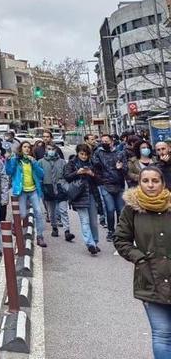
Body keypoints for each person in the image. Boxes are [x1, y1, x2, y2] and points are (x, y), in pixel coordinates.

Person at [115, 166, 171, 358]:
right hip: (150, 279)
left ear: (163, 183)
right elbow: (121, 240)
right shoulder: (132, 209)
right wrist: (139, 259)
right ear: (139, 184)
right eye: (145, 181)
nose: (150, 185)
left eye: (155, 181)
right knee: (162, 334)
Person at [5, 141, 47, 248]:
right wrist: (8, 160)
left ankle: (40, 236)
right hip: (22, 191)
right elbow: (9, 172)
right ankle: (15, 225)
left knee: (38, 212)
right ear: (21, 149)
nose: (27, 149)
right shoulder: (16, 160)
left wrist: (34, 164)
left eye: (29, 147)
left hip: (33, 190)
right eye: (25, 147)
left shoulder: (33, 161)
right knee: (23, 214)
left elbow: (41, 174)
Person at [64, 144, 102, 255]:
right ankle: (90, 244)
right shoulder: (72, 163)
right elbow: (66, 176)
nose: (84, 156)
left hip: (92, 194)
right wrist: (77, 172)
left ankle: (95, 242)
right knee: (84, 220)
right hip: (79, 195)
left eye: (86, 154)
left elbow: (100, 180)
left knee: (94, 222)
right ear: (77, 153)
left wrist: (92, 174)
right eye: (81, 154)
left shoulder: (93, 163)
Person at [37, 144, 74, 241]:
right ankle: (54, 227)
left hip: (60, 187)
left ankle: (67, 231)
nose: (51, 151)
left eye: (53, 149)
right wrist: (41, 189)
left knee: (63, 210)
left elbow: (66, 175)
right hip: (48, 187)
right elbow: (39, 176)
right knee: (51, 211)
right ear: (46, 150)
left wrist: (65, 186)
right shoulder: (40, 162)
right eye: (49, 149)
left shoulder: (62, 162)